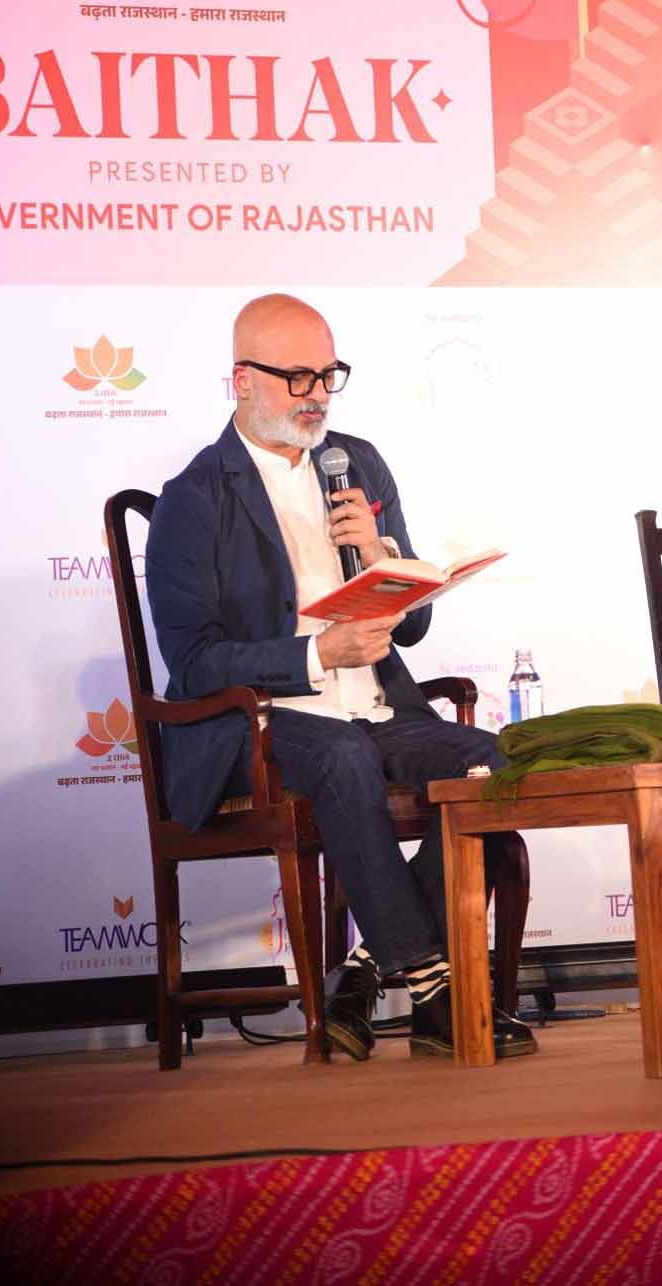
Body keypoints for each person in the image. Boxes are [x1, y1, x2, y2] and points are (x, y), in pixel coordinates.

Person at [145, 292, 536, 1062]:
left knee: (496, 763)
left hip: (380, 709)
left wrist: (386, 558)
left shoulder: (355, 463)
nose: (317, 394)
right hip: (258, 728)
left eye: (328, 375)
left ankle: (362, 971)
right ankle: (437, 992)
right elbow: (192, 664)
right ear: (242, 380)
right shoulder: (194, 499)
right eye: (297, 377)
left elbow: (411, 629)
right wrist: (318, 655)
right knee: (343, 753)